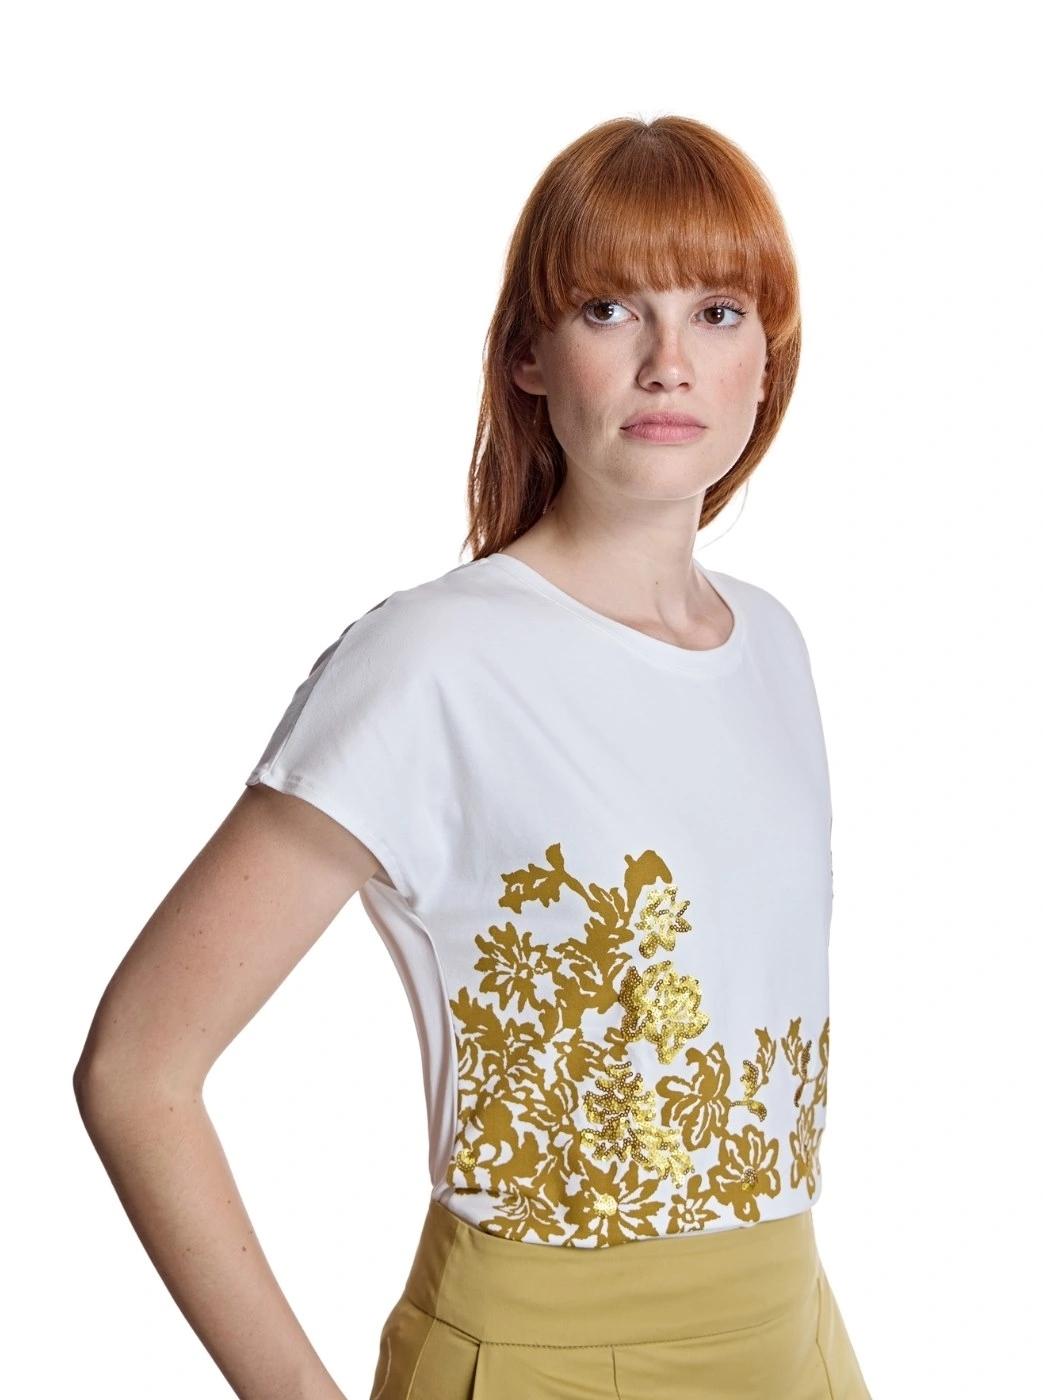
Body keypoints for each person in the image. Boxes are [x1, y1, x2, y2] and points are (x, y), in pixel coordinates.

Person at [74, 114, 872, 1399]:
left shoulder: (773, 643)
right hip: (539, 1358)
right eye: (611, 309)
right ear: (529, 356)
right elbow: (137, 1069)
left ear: (767, 361)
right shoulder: (432, 660)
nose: (670, 362)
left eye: (717, 312)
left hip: (795, 1343)